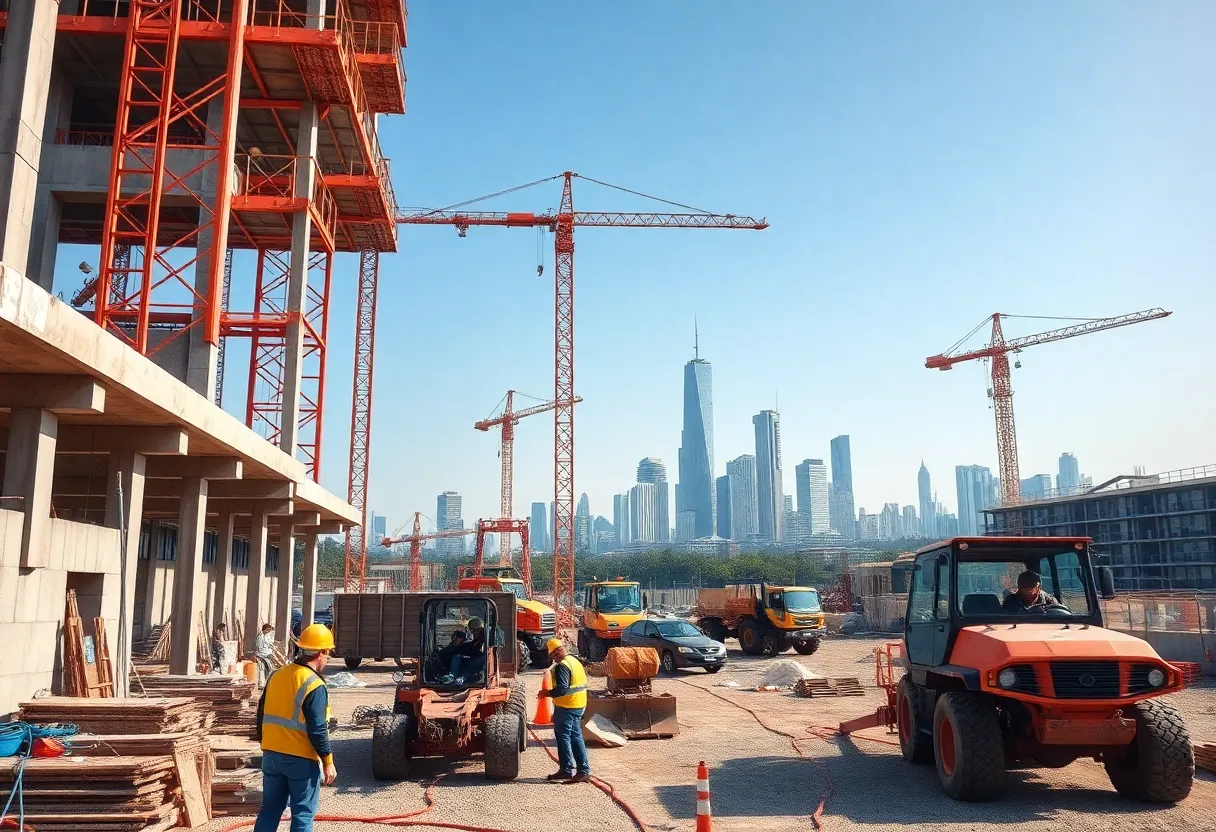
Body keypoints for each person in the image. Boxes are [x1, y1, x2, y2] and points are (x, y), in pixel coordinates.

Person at [253, 624, 337, 832]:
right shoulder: (314, 684)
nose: (327, 659)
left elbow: (261, 714)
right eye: (328, 654)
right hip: (300, 758)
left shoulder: (276, 675)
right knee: (303, 813)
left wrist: (266, 744)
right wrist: (328, 761)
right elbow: (318, 729)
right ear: (321, 653)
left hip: (271, 754)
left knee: (270, 809)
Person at [538, 638, 590, 784]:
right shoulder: (574, 662)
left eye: (552, 656)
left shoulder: (563, 666)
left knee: (566, 737)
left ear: (556, 652)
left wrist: (546, 693)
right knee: (574, 737)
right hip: (577, 705)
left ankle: (576, 770)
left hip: (568, 707)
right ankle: (573, 770)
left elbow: (561, 689)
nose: (552, 659)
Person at [446, 617, 487, 683]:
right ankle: (452, 676)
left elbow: (480, 653)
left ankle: (462, 678)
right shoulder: (476, 641)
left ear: (479, 629)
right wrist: (459, 647)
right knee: (456, 657)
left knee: (474, 661)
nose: (472, 633)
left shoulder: (485, 641)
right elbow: (471, 646)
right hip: (473, 658)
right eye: (471, 631)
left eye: (474, 631)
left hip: (479, 663)